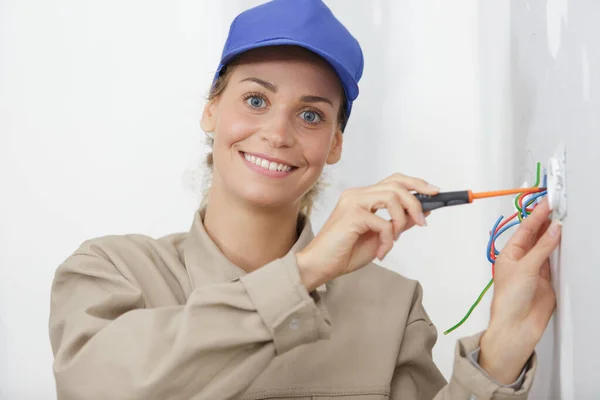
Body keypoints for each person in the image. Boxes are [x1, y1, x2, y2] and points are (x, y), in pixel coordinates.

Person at [49, 0, 562, 399]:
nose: (277, 132)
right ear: (211, 111)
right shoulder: (111, 272)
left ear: (335, 144)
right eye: (255, 100)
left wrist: (498, 355)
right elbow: (95, 388)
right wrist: (305, 273)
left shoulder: (390, 306)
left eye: (311, 115)